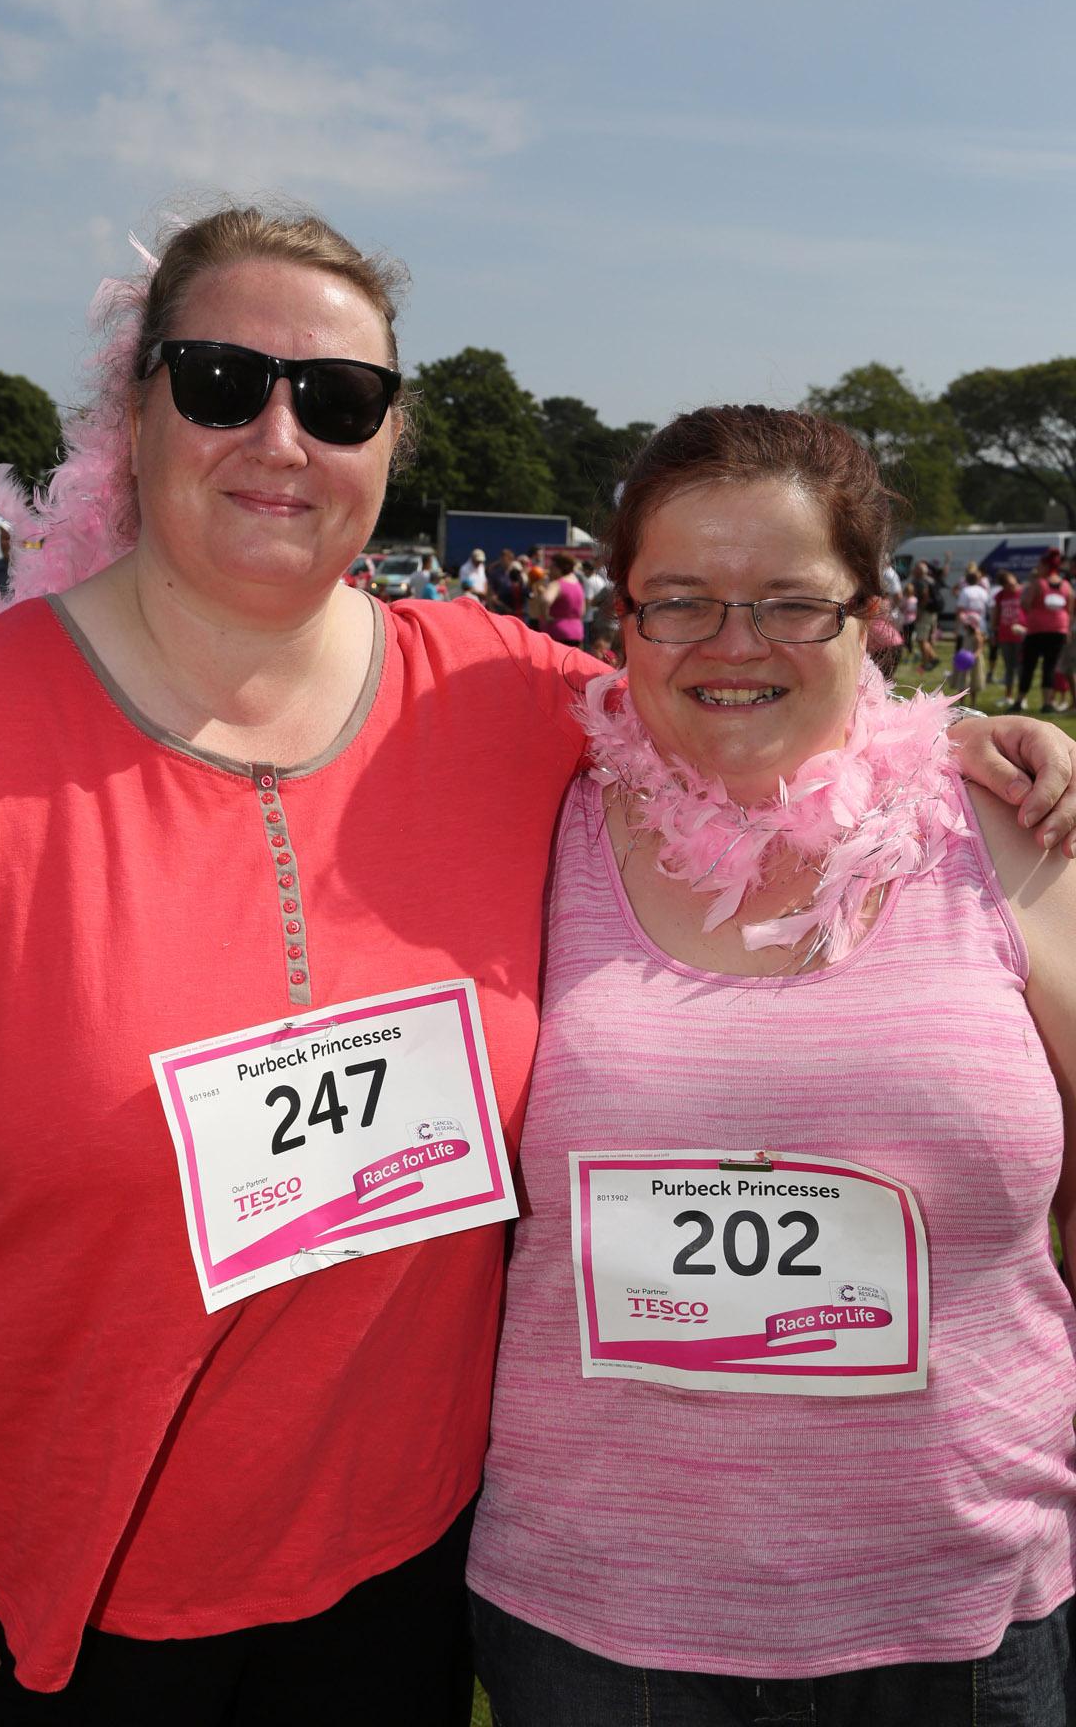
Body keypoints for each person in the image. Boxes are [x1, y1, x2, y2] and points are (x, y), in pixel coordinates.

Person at [0, 214, 1073, 1726]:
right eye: (224, 379)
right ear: (134, 409)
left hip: (407, 1575)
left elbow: (738, 687)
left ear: (390, 438)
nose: (280, 436)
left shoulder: (504, 697)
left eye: (339, 400)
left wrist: (958, 749)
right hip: (41, 1580)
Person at [467, 406, 1076, 1726]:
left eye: (792, 603)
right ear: (617, 617)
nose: (734, 648)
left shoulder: (1012, 835)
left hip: (961, 1614)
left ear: (873, 616)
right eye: (679, 601)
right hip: (599, 1624)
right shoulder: (523, 818)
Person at [1015, 550, 1072, 714]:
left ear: (1046, 566)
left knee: (1029, 666)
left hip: (1037, 630)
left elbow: (1025, 602)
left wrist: (1035, 613)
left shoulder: (1039, 583)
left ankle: (1019, 700)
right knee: (1050, 667)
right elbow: (1070, 609)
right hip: (1058, 630)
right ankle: (1047, 702)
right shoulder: (1066, 585)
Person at [992, 571, 1028, 706]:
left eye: (1012, 582)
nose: (1011, 586)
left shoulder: (1024, 591)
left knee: (1021, 667)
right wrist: (994, 632)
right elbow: (996, 613)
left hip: (1021, 634)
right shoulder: (1000, 596)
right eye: (1007, 585)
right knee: (1009, 667)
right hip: (1005, 635)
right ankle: (1008, 696)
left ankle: (1022, 698)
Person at [542, 552, 586, 645]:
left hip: (558, 632)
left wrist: (546, 617)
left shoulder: (557, 584)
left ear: (558, 568)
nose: (549, 570)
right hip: (577, 632)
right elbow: (582, 611)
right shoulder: (578, 585)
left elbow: (546, 600)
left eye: (551, 567)